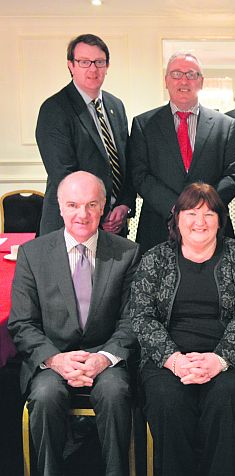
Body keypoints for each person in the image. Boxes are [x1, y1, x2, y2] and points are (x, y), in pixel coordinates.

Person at [9, 171, 140, 476]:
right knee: (45, 396)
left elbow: (133, 318)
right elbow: (22, 323)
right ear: (59, 207)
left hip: (106, 358)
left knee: (115, 393)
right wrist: (54, 359)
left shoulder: (127, 253)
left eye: (92, 205)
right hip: (52, 359)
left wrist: (103, 358)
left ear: (104, 207)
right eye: (73, 205)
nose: (82, 214)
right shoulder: (33, 253)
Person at [128, 182, 235, 476]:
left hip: (231, 359)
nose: (199, 222)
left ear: (220, 220)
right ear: (176, 218)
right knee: (168, 400)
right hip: (166, 361)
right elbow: (141, 316)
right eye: (191, 213)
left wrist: (219, 360)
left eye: (209, 214)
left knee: (225, 397)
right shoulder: (155, 259)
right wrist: (174, 359)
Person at [128, 52, 235, 254]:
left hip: (211, 228)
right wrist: (176, 208)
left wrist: (201, 210)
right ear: (166, 81)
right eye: (176, 74)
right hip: (158, 227)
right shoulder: (144, 125)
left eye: (191, 74)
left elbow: (233, 175)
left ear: (201, 81)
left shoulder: (225, 125)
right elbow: (139, 175)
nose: (184, 80)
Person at [36, 34, 135, 237]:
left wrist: (124, 204)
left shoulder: (116, 105)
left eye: (99, 62)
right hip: (72, 226)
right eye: (84, 62)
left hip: (114, 227)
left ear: (107, 66)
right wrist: (102, 211)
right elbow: (63, 174)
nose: (93, 69)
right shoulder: (54, 109)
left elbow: (126, 162)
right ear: (71, 66)